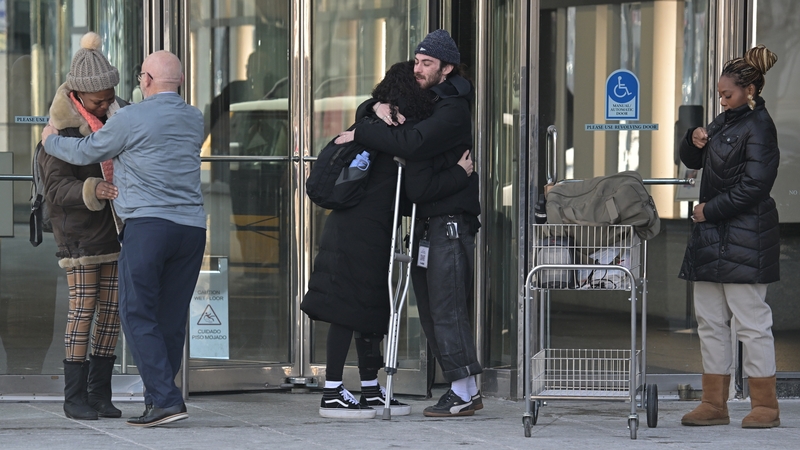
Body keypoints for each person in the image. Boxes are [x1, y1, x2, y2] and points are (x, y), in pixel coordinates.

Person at [42, 50, 206, 428]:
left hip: (149, 227)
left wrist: (50, 140)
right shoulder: (193, 118)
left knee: (136, 313)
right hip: (192, 228)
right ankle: (160, 398)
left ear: (145, 80)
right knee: (169, 319)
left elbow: (88, 149)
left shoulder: (131, 118)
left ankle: (164, 400)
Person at [302, 60, 470, 419]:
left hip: (359, 228)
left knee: (367, 307)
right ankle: (332, 390)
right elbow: (416, 185)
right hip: (362, 230)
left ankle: (369, 387)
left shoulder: (374, 120)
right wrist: (459, 174)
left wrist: (368, 114)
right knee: (347, 308)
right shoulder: (392, 127)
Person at [336, 29, 482, 417]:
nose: (418, 69)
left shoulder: (452, 109)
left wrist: (366, 129)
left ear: (446, 68)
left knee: (447, 307)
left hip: (448, 223)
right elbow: (388, 103)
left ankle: (465, 390)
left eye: (427, 63)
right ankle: (461, 386)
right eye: (417, 61)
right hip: (426, 222)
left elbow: (411, 143)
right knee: (433, 308)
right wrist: (373, 109)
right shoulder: (429, 98)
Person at [678, 44, 781, 429]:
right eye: (719, 94)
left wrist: (709, 210)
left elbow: (756, 185)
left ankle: (766, 407)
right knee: (710, 323)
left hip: (744, 238)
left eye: (727, 94)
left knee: (752, 324)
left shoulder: (759, 126)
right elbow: (691, 161)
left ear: (750, 90)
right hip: (712, 239)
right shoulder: (724, 122)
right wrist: (694, 139)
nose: (721, 100)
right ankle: (714, 403)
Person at [37, 31, 126, 421]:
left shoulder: (118, 117)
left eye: (110, 97)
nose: (107, 106)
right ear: (77, 95)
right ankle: (74, 397)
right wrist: (94, 188)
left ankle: (100, 394)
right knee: (84, 309)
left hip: (116, 231)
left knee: (111, 312)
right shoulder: (58, 131)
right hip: (79, 234)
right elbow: (56, 188)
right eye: (98, 101)